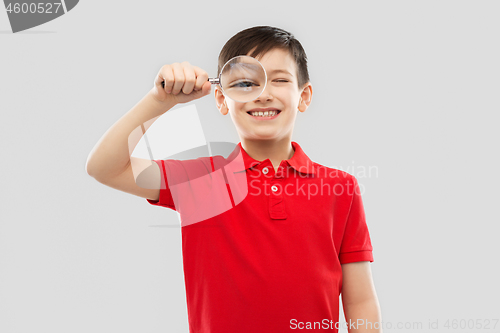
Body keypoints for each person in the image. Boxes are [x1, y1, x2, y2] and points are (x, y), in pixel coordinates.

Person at [86, 25, 382, 333]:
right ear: (221, 99)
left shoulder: (340, 188)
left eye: (279, 80)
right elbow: (104, 167)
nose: (263, 93)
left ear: (303, 96)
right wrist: (160, 101)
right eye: (245, 83)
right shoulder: (202, 180)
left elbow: (360, 302)